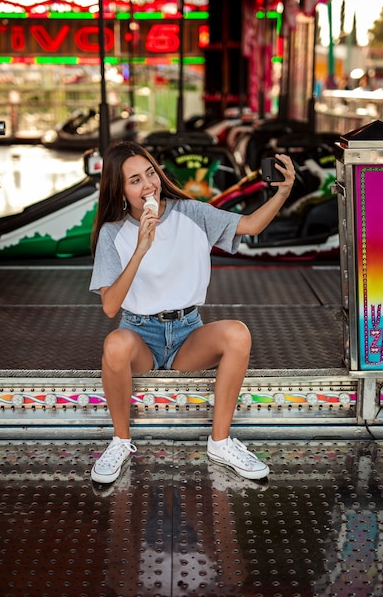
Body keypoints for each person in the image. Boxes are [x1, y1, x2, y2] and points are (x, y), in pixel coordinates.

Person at [89, 141, 295, 485]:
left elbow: (251, 226)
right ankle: (121, 443)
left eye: (150, 173)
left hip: (187, 332)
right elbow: (110, 306)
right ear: (120, 190)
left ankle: (221, 442)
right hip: (141, 335)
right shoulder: (113, 233)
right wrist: (141, 248)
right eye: (135, 180)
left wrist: (282, 193)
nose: (149, 185)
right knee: (115, 344)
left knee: (237, 333)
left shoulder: (191, 212)